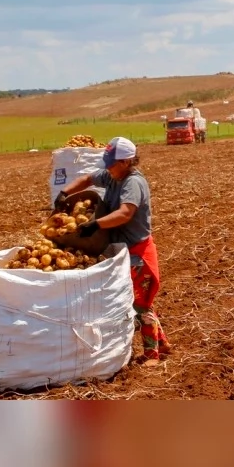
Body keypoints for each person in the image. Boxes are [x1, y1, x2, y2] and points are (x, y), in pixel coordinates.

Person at [55, 137, 170, 365]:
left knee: (139, 304)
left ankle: (152, 355)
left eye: (112, 162)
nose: (107, 167)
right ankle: (163, 344)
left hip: (139, 253)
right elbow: (88, 178)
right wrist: (65, 192)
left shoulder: (132, 183)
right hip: (123, 251)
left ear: (126, 162)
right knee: (139, 302)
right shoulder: (112, 175)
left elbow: (125, 213)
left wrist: (96, 224)